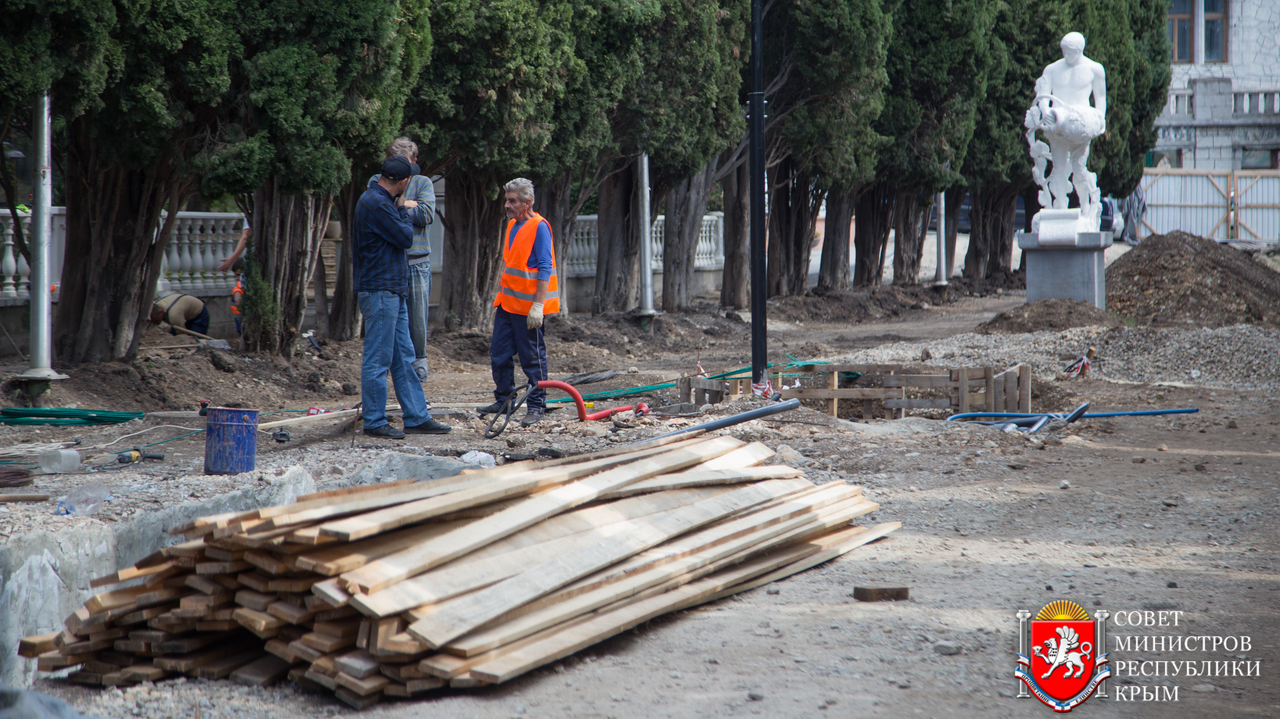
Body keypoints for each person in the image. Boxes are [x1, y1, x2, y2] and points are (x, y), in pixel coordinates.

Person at [352, 155, 451, 439]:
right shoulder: (378, 203)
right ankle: (374, 421)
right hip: (380, 290)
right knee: (378, 358)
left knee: (404, 356)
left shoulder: (379, 201)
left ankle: (417, 416)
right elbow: (407, 237)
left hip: (393, 289)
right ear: (403, 181)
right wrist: (404, 209)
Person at [478, 178, 559, 426]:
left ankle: (536, 406)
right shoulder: (513, 226)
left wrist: (538, 306)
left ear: (527, 203)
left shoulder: (540, 227)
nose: (507, 205)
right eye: (506, 200)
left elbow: (545, 267)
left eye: (512, 201)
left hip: (528, 309)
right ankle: (504, 400)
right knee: (499, 355)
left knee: (532, 358)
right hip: (507, 305)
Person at [367, 137, 436, 385]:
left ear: (414, 163)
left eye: (405, 164)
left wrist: (399, 206)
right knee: (389, 320)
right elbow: (378, 209)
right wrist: (405, 204)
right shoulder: (376, 181)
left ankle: (418, 366)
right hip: (389, 263)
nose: (400, 173)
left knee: (416, 319)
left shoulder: (423, 182)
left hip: (417, 262)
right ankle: (389, 370)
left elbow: (427, 214)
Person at [1024, 32, 1108, 227]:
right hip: (1057, 125)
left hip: (1080, 126)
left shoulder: (1094, 69)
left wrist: (1099, 119)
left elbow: (1100, 98)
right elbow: (1043, 94)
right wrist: (1044, 109)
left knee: (1079, 168)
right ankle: (1060, 209)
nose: (1066, 55)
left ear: (1079, 50)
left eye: (1070, 52)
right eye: (1064, 51)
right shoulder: (1052, 69)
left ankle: (1086, 209)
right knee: (1059, 168)